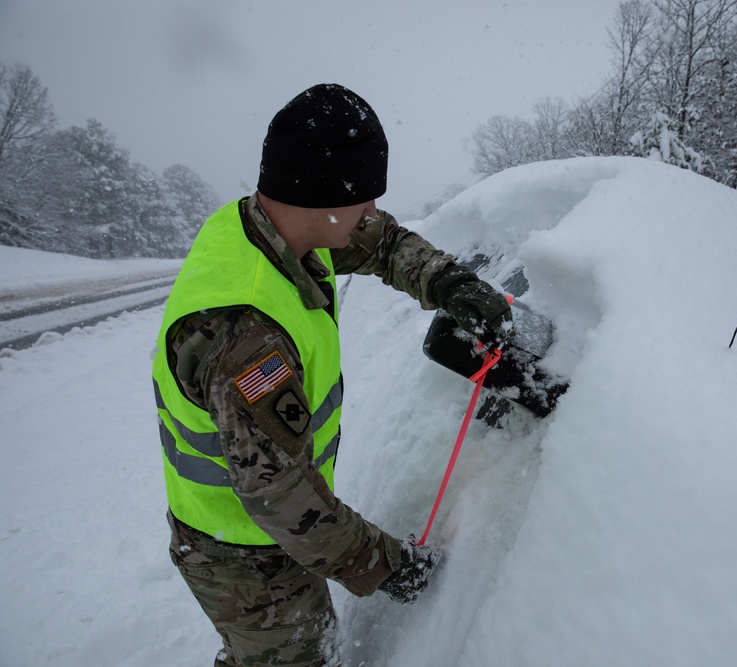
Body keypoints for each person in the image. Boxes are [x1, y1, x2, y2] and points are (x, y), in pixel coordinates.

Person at [151, 83, 513, 667]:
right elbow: (281, 501)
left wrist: (451, 283)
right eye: (364, 199)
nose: (372, 212)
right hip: (243, 556)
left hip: (270, 531)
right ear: (320, 197)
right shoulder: (246, 337)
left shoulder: (271, 228)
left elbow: (383, 242)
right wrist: (390, 567)